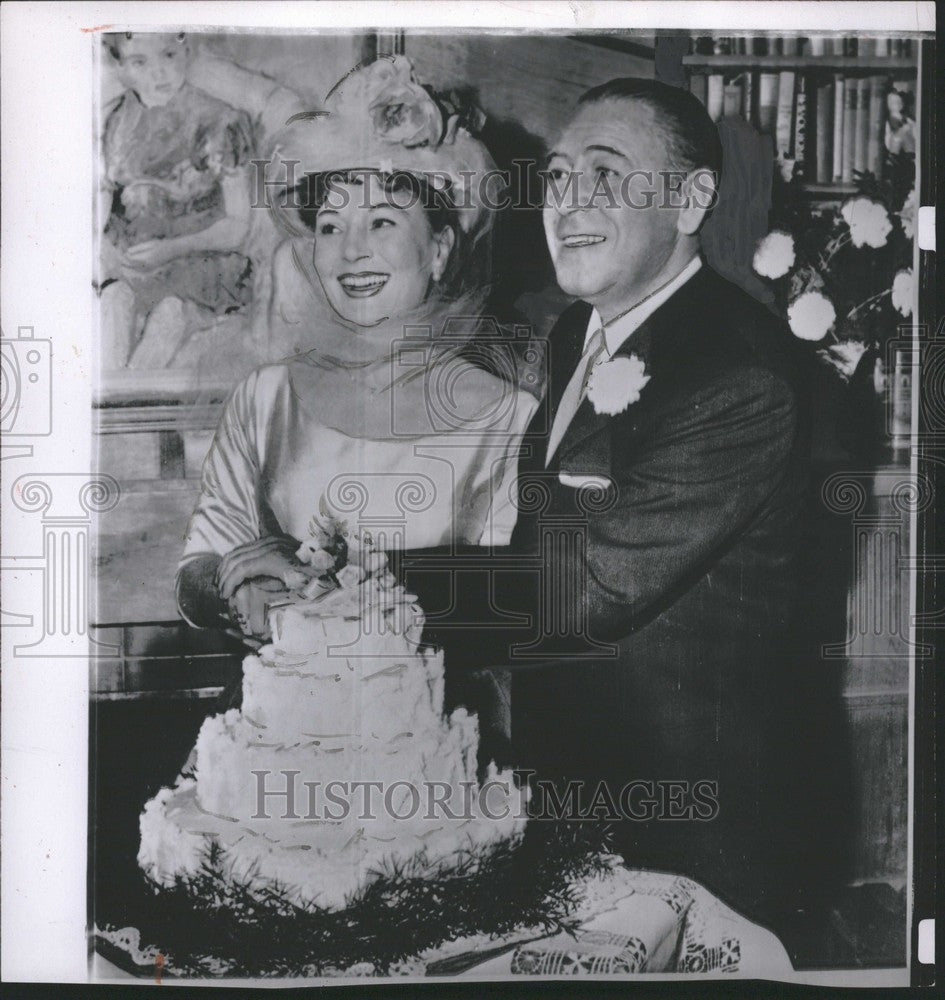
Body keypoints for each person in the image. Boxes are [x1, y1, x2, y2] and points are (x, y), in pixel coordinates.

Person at [387, 78, 812, 931]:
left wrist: (366, 592)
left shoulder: (738, 376)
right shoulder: (575, 332)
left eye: (607, 175)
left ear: (691, 198)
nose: (568, 202)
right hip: (575, 800)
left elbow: (574, 589)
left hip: (692, 835)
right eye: (557, 177)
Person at [175, 56, 536, 642]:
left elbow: (514, 598)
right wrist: (235, 583)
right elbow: (198, 565)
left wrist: (334, 585)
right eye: (330, 227)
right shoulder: (265, 399)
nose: (351, 253)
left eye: (383, 223)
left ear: (440, 249)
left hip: (437, 714)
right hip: (280, 716)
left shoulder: (510, 418)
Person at [98, 32, 254, 369]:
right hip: (134, 267)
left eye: (169, 55)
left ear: (186, 51)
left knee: (168, 315)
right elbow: (105, 213)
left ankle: (133, 406)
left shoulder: (218, 120)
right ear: (120, 66)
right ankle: (106, 410)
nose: (159, 74)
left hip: (197, 265)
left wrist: (170, 249)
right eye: (140, 62)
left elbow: (239, 225)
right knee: (113, 300)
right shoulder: (114, 122)